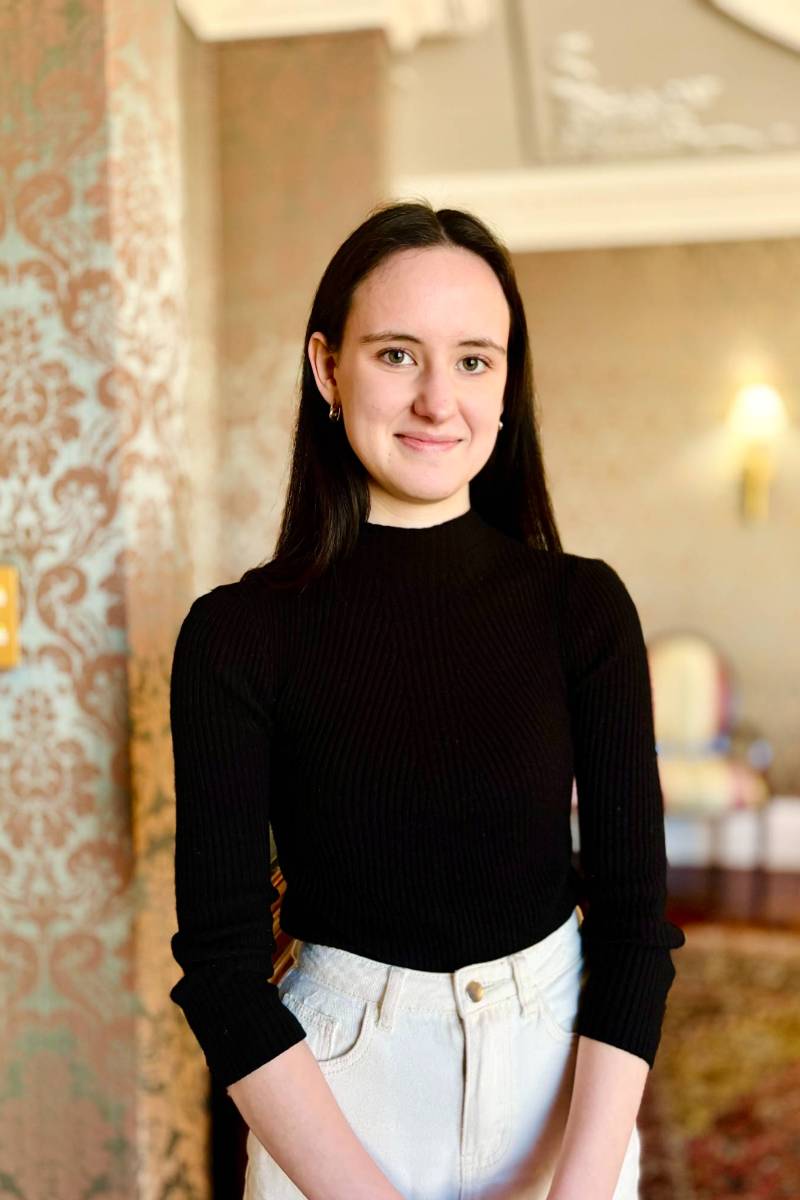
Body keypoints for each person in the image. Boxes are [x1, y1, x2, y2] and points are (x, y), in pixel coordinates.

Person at [168, 199, 686, 1200]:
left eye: (474, 360)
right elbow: (222, 973)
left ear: (505, 386)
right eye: (396, 354)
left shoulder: (582, 607)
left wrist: (578, 1191)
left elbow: (634, 929)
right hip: (333, 1091)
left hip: (556, 1083)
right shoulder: (235, 635)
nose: (436, 399)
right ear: (326, 367)